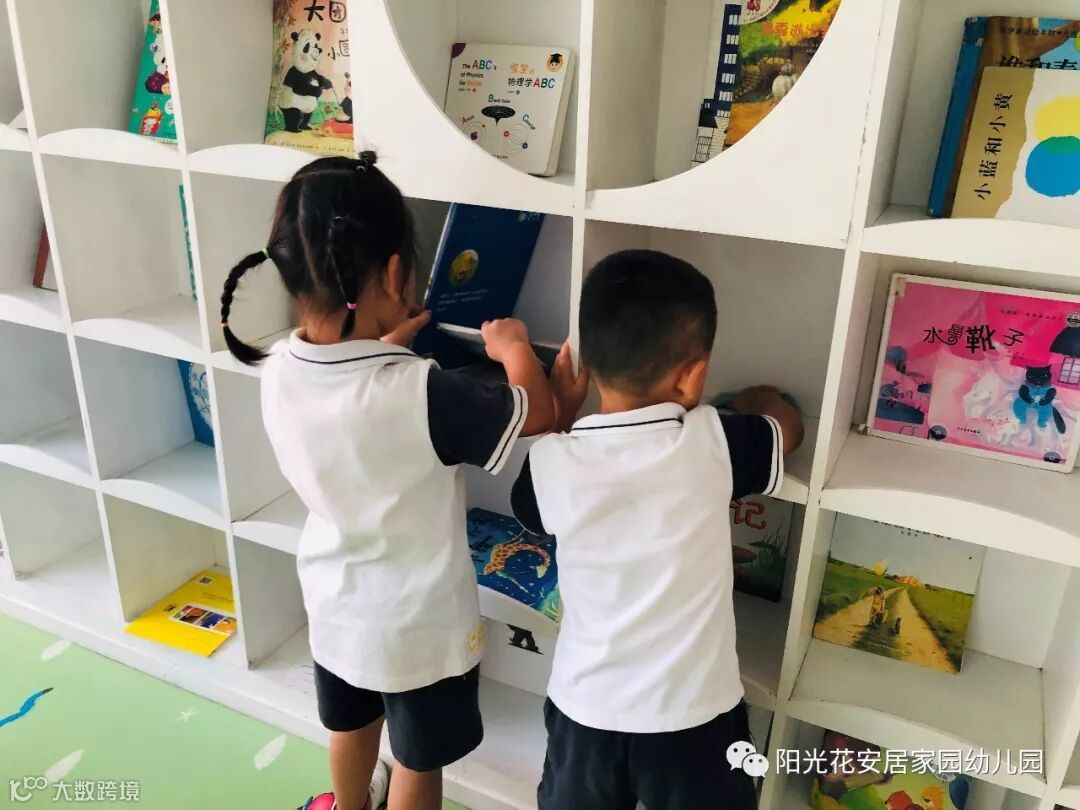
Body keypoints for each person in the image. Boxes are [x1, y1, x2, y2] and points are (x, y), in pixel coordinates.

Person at [220, 152, 554, 810]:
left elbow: (352, 396)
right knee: (417, 760)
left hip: (334, 604)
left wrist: (385, 347)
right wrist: (514, 347)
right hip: (418, 627)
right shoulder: (421, 392)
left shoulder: (279, 365)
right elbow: (535, 413)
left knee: (349, 726)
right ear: (397, 273)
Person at [511, 249, 804, 810]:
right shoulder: (714, 441)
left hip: (585, 711)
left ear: (589, 362)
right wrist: (763, 399)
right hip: (695, 717)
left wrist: (564, 416)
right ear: (692, 376)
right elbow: (786, 433)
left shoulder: (552, 462)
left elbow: (531, 511)